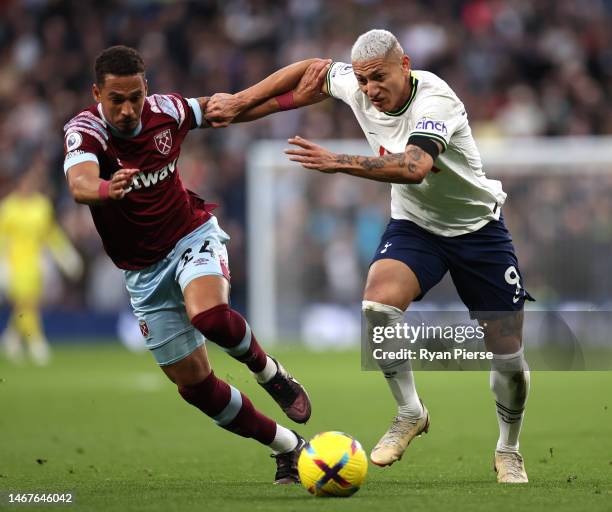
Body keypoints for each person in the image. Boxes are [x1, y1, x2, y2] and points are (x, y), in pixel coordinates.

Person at [207, 29, 532, 484]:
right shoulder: (359, 85)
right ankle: (409, 413)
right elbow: (310, 70)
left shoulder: (436, 100)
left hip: (478, 231)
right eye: (361, 81)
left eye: (378, 78)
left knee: (508, 357)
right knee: (377, 306)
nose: (369, 90)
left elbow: (415, 167)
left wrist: (338, 161)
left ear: (405, 65)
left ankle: (508, 448)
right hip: (416, 226)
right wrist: (241, 102)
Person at [62, 45, 323, 484]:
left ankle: (269, 372)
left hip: (190, 236)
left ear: (147, 89)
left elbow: (232, 110)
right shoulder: (85, 132)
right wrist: (109, 189)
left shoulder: (169, 111)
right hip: (141, 272)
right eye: (116, 100)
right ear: (96, 94)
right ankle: (288, 448)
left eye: (135, 97)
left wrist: (292, 100)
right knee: (196, 388)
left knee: (208, 315)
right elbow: (80, 183)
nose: (127, 110)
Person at [0, 158, 83, 365]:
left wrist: (66, 255)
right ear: (18, 183)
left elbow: (51, 235)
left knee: (27, 304)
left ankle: (11, 338)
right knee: (27, 303)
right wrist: (2, 264)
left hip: (36, 265)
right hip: (14, 264)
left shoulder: (41, 206)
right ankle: (37, 342)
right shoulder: (8, 208)